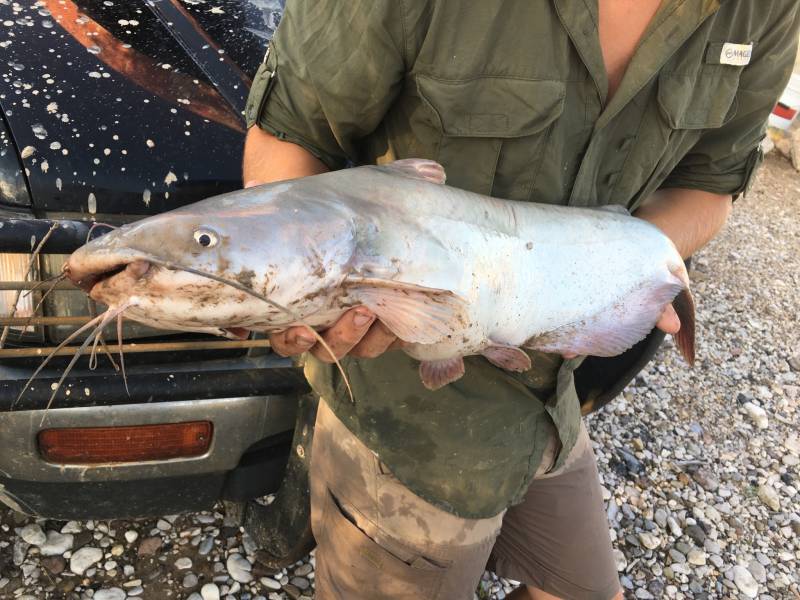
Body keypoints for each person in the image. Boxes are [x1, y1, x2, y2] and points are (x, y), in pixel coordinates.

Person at [241, 1, 799, 598]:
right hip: (410, 427)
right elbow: (289, 139)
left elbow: (707, 187)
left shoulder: (765, 10)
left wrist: (637, 266)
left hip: (553, 405)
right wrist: (308, 291)